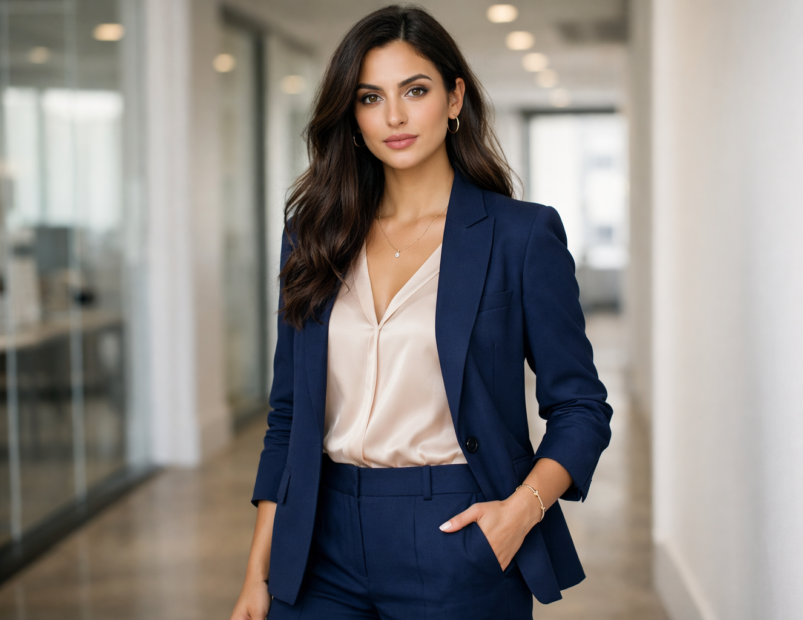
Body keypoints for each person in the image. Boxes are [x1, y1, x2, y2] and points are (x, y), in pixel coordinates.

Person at [230, 5, 612, 620]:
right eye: (370, 97)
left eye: (415, 90)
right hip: (318, 544)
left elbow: (581, 409)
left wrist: (520, 514)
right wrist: (256, 576)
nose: (395, 116)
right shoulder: (314, 236)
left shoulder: (520, 236)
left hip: (456, 532)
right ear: (351, 115)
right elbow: (288, 418)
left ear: (455, 98)